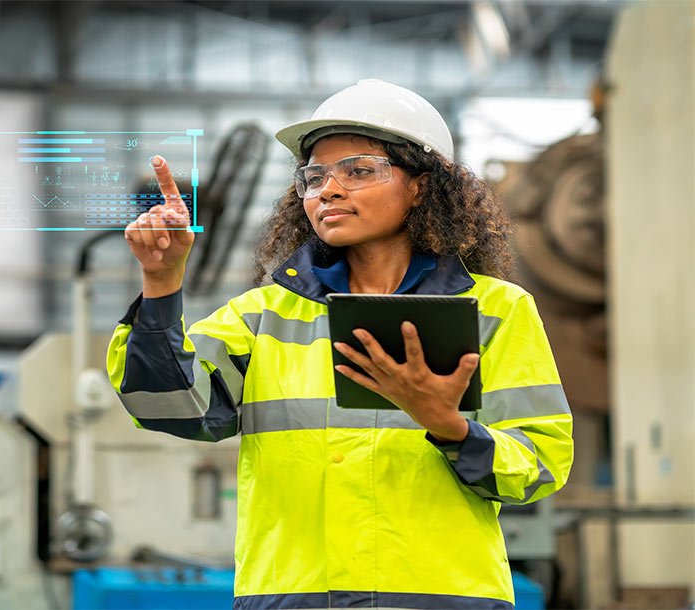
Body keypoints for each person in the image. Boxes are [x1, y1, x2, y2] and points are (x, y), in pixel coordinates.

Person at [105, 79, 573, 610]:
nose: (328, 190)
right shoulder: (263, 316)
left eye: (358, 170)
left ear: (422, 185)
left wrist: (450, 426)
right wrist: (162, 283)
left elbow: (538, 466)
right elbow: (163, 406)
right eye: (315, 176)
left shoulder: (496, 311)